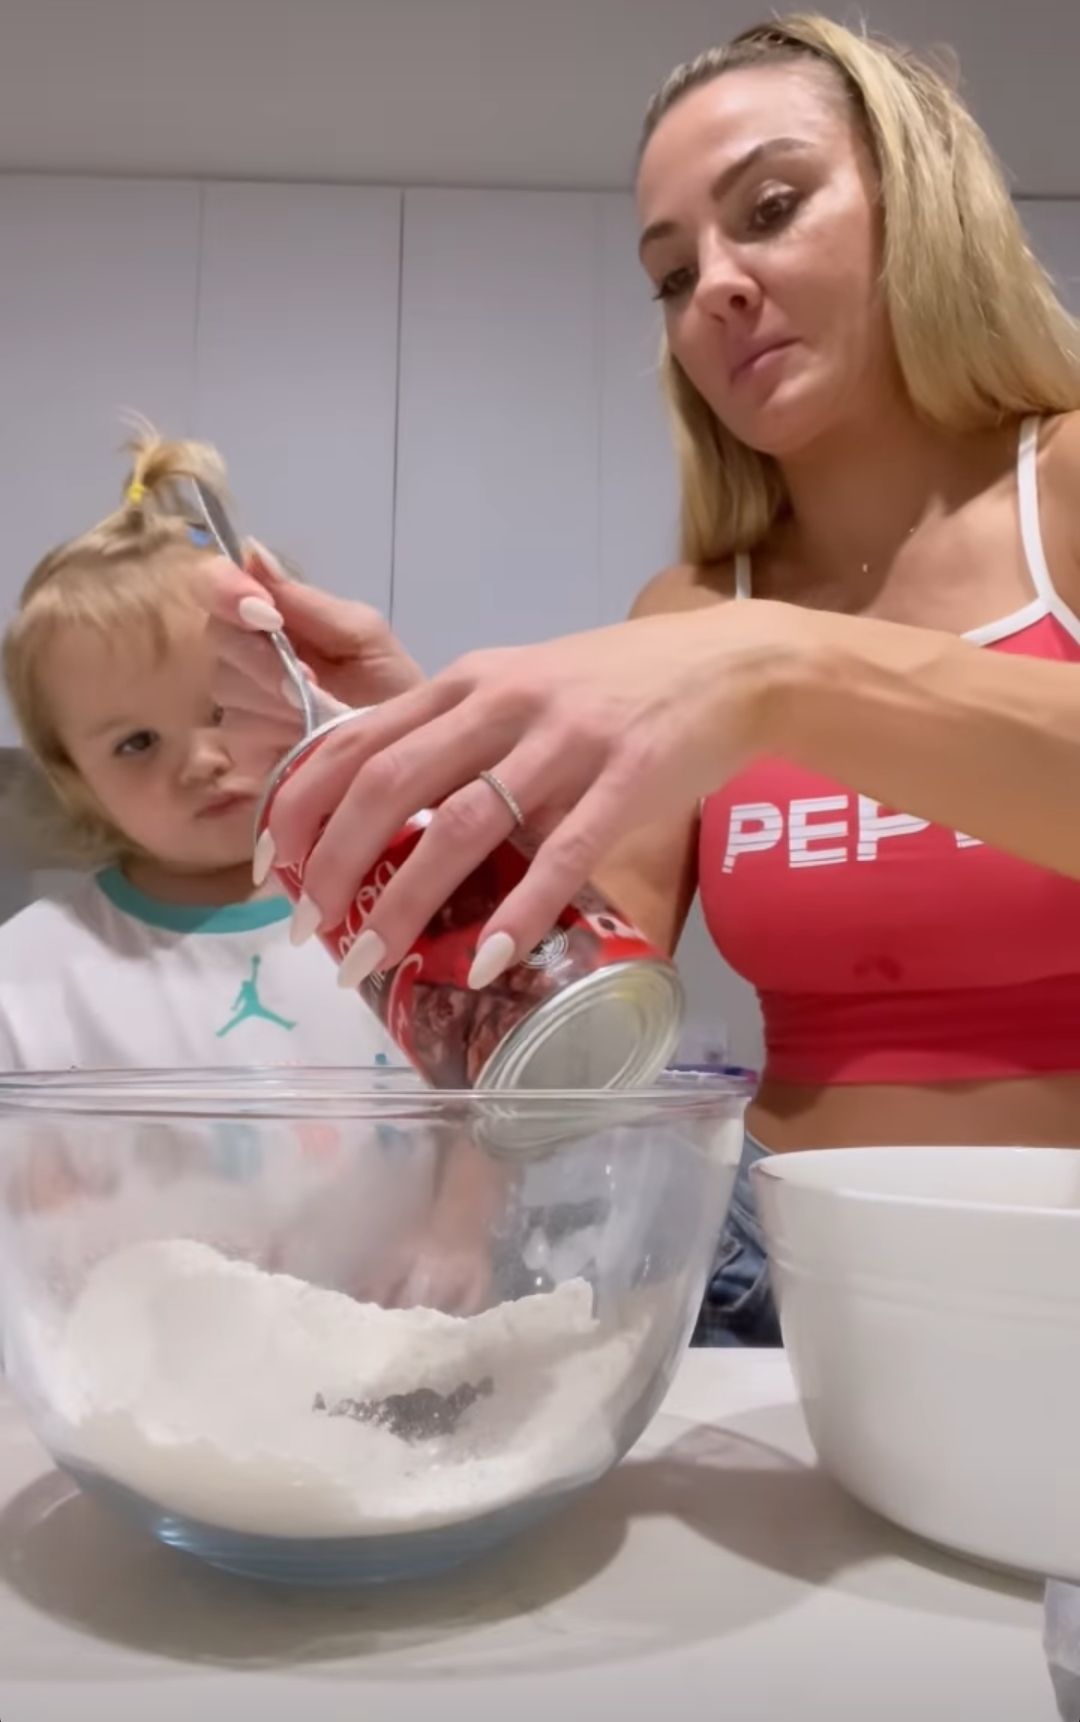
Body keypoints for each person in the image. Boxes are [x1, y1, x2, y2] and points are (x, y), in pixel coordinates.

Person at [196, 14, 1080, 1348]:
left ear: (920, 204)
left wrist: (781, 667)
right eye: (670, 273)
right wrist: (438, 788)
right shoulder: (689, 616)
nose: (715, 286)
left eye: (771, 209)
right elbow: (561, 1001)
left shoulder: (1057, 494)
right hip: (775, 1294)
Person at [0, 432, 492, 1311]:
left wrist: (456, 1233)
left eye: (224, 708)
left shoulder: (406, 910)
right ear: (75, 778)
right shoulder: (35, 972)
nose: (200, 760)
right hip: (153, 1369)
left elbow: (494, 1099)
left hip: (404, 1350)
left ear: (299, 686)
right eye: (136, 743)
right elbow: (37, 1209)